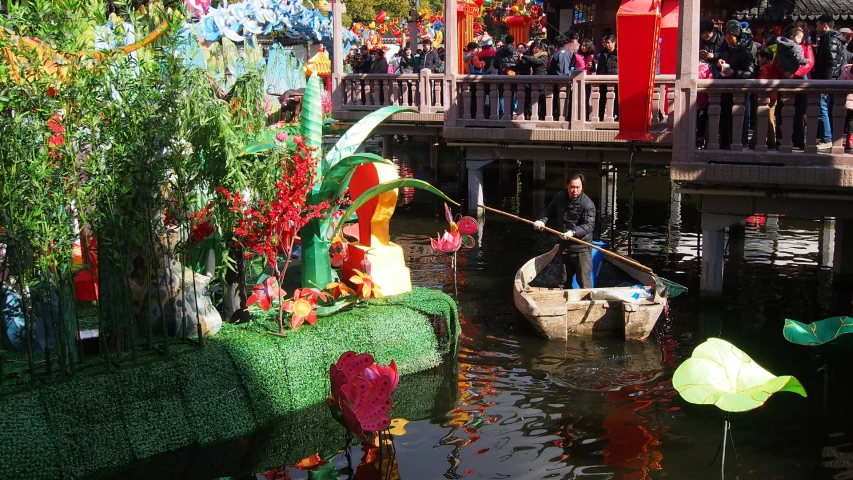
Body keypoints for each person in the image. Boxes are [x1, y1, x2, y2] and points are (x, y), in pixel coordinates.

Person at [533, 173, 596, 289]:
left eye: (578, 187)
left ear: (582, 187)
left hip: (581, 248)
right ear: (567, 185)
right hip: (564, 247)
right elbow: (549, 211)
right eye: (572, 187)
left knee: (584, 283)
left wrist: (573, 232)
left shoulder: (588, 204)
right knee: (563, 282)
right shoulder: (559, 197)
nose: (575, 190)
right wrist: (542, 221)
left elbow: (589, 225)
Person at [716, 20, 756, 149]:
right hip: (726, 91)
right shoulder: (727, 50)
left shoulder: (745, 52)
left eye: (730, 38)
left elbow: (750, 73)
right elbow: (721, 60)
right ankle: (724, 143)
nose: (728, 41)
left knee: (739, 119)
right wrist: (719, 64)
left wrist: (734, 72)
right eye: (726, 38)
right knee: (725, 120)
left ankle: (740, 143)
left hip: (740, 92)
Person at [813, 14, 846, 149]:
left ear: (825, 24)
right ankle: (827, 137)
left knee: (822, 107)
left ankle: (827, 138)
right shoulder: (831, 38)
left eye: (818, 25)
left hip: (827, 81)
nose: (816, 28)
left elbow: (831, 63)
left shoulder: (830, 39)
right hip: (831, 79)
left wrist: (825, 83)